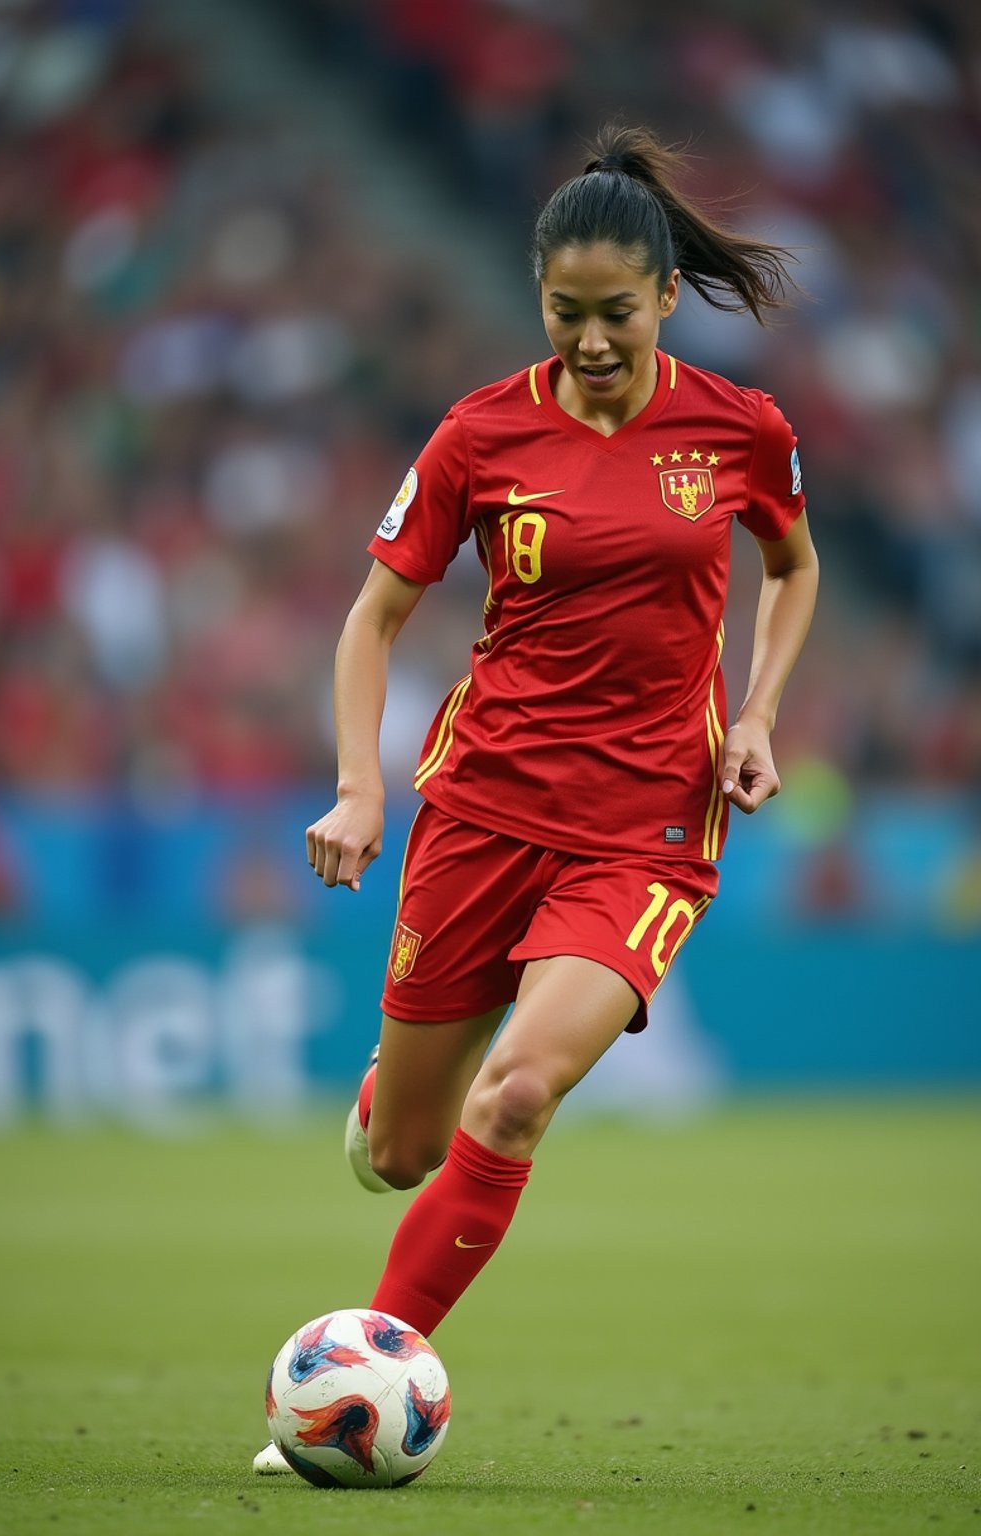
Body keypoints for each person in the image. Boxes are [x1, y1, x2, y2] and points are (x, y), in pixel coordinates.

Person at [254, 122, 819, 1472]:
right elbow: (371, 619)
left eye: (618, 314)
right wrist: (355, 788)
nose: (593, 342)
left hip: (646, 832)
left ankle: (355, 1385)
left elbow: (794, 572)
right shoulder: (479, 433)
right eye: (566, 315)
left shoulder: (742, 430)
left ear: (668, 295)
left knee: (514, 1101)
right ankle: (398, 1090)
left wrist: (755, 713)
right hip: (481, 810)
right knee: (403, 1155)